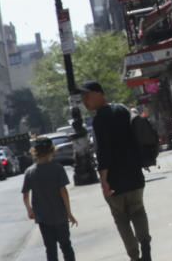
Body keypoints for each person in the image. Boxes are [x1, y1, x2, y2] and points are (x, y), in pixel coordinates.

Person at [78, 80, 151, 261]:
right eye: (82, 98)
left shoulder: (99, 120)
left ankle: (135, 257)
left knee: (121, 219)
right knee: (138, 211)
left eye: (87, 96)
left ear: (99, 94)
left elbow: (104, 151)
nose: (85, 101)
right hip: (134, 172)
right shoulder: (122, 110)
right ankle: (146, 248)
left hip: (115, 179)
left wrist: (104, 179)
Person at [22, 136, 78, 261]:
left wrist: (29, 210)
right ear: (51, 151)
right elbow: (63, 191)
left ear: (35, 152)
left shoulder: (30, 172)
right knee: (66, 246)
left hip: (43, 218)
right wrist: (69, 213)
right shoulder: (57, 168)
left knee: (50, 249)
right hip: (60, 215)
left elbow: (25, 195)